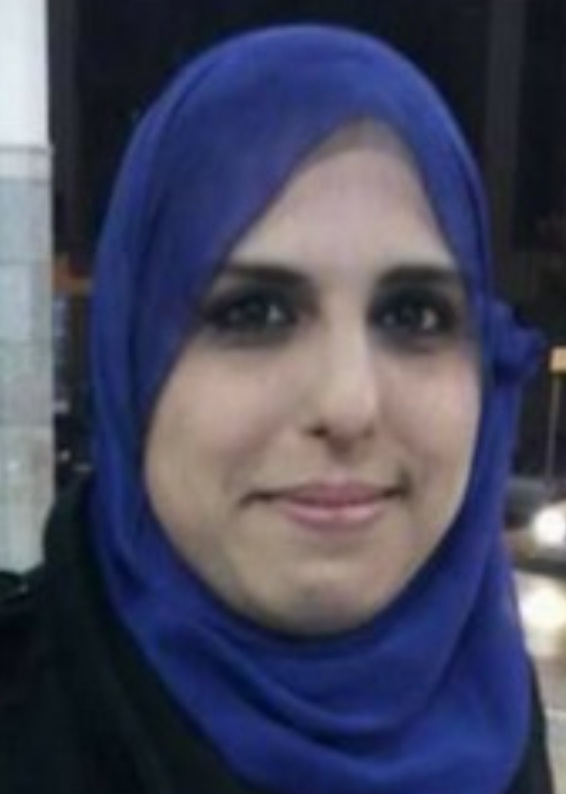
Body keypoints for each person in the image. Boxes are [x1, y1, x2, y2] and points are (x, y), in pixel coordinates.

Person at [0, 24, 554, 794]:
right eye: (254, 312)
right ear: (132, 363)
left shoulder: (490, 709)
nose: (349, 404)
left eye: (414, 314)